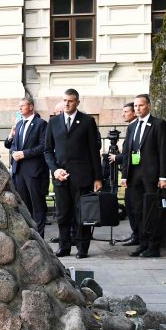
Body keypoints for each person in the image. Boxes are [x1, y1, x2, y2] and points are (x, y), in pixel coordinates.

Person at [44, 88, 102, 259]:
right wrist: (55, 170)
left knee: (82, 213)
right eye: (64, 100)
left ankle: (82, 247)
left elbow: (94, 151)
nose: (66, 104)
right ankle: (64, 246)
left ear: (77, 102)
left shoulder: (87, 121)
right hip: (61, 177)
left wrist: (98, 177)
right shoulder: (54, 122)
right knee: (62, 214)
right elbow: (47, 150)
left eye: (70, 101)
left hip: (82, 176)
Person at [116, 94, 166, 258]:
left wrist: (163, 176)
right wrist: (124, 175)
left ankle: (153, 246)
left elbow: (163, 151)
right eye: (136, 106)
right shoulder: (132, 127)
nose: (138, 109)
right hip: (134, 176)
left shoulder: (158, 124)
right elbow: (127, 153)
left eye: (141, 105)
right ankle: (142, 243)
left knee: (151, 210)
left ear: (149, 106)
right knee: (137, 210)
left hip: (152, 176)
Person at [5, 97, 48, 236]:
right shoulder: (19, 125)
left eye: (22, 105)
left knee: (38, 206)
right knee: (24, 206)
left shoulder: (40, 124)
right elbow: (10, 145)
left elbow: (43, 146)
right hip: (19, 171)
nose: (20, 108)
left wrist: (24, 154)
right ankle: (29, 235)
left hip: (34, 171)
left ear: (31, 107)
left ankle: (40, 237)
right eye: (19, 106)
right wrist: (10, 137)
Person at [108, 102, 139, 245]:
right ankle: (135, 234)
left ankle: (138, 235)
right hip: (128, 172)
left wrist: (117, 158)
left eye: (126, 111)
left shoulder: (136, 126)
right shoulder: (132, 126)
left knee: (134, 205)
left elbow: (132, 153)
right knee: (129, 204)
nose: (123, 114)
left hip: (134, 174)